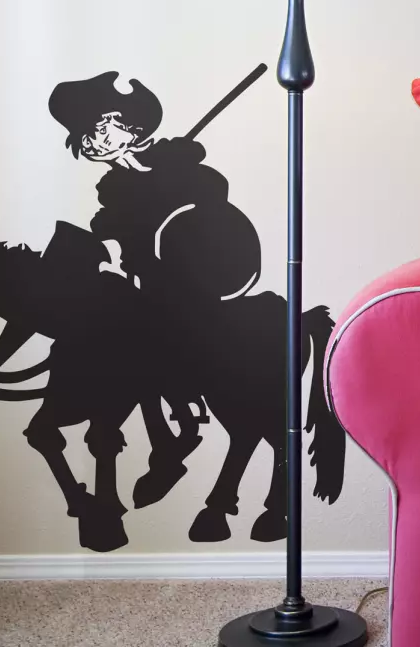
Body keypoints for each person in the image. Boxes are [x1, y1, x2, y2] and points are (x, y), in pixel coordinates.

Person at [48, 71, 263, 507]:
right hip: (151, 277)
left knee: (156, 334)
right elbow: (110, 223)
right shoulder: (113, 184)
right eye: (86, 136)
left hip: (207, 270)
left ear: (130, 124)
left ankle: (179, 426)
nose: (94, 141)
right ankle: (170, 438)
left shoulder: (173, 160)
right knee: (128, 338)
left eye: (101, 126)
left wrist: (175, 166)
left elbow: (213, 192)